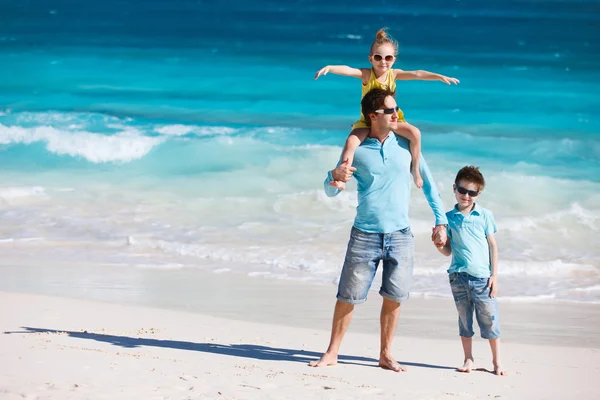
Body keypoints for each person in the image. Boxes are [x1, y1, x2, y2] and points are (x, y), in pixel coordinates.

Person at [309, 88, 448, 372]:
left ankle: (385, 354)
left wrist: (440, 220)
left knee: (395, 297)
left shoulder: (406, 144)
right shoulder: (357, 149)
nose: (396, 114)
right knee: (348, 296)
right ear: (373, 116)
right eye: (389, 110)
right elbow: (333, 189)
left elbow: (430, 184)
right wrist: (332, 176)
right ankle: (332, 352)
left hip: (400, 235)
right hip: (365, 234)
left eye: (397, 108)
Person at [314, 27, 459, 191]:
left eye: (388, 58)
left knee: (415, 134)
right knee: (351, 142)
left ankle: (415, 169)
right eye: (378, 57)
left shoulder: (394, 74)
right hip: (367, 121)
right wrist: (330, 67)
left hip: (391, 118)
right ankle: (342, 178)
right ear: (371, 59)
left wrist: (439, 77)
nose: (383, 61)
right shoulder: (367, 75)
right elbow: (348, 70)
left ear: (394, 59)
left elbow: (417, 74)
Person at [434, 166, 506, 376]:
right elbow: (447, 251)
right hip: (458, 277)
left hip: (483, 278)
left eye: (472, 193)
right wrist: (438, 245)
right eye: (462, 190)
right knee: (464, 320)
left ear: (478, 194)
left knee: (490, 320)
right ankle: (468, 359)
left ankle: (497, 362)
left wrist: (494, 276)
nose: (466, 196)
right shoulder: (448, 217)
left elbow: (492, 245)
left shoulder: (484, 215)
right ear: (454, 188)